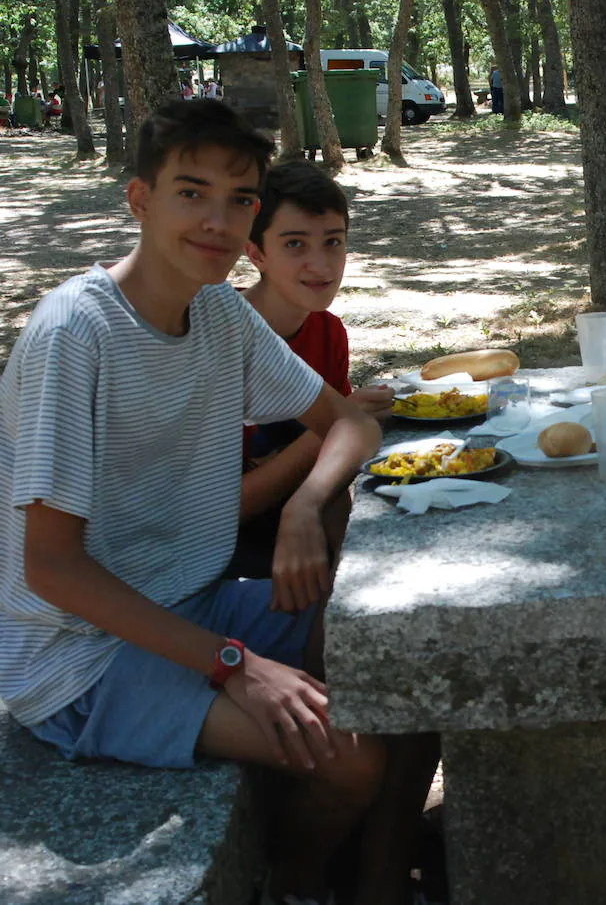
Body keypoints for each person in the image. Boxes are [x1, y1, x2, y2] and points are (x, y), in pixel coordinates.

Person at [0, 98, 422, 905]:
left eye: (239, 200)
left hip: (194, 600)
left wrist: (305, 508)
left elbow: (347, 427)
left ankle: (378, 878)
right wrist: (237, 666)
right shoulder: (75, 333)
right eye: (191, 192)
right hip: (77, 658)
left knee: (407, 648)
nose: (217, 221)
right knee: (350, 753)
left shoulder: (221, 314)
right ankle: (297, 885)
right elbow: (51, 569)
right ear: (140, 200)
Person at [228, 160, 395, 581]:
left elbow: (333, 479)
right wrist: (338, 421)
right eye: (295, 244)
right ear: (255, 252)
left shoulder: (328, 333)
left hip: (302, 540)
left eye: (333, 242)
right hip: (216, 562)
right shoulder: (216, 339)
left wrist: (340, 568)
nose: (321, 266)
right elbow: (224, 511)